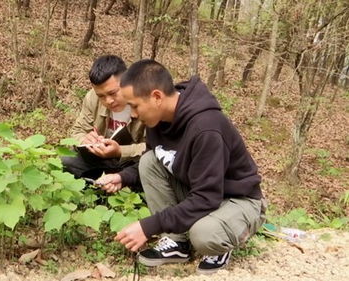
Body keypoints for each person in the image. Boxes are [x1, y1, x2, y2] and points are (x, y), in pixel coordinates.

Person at [96, 59, 266, 274]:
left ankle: (221, 241)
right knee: (149, 161)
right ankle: (177, 243)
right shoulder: (157, 120)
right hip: (203, 192)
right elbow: (156, 158)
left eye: (134, 105)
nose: (133, 114)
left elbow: (207, 197)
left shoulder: (206, 128)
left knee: (203, 235)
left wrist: (148, 227)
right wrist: (123, 177)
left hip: (238, 199)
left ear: (157, 97)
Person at [62, 55, 145, 189]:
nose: (108, 101)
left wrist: (120, 151)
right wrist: (85, 140)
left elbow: (154, 148)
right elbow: (77, 130)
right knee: (66, 161)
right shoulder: (92, 98)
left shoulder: (144, 101)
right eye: (101, 96)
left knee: (148, 170)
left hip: (133, 163)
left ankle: (115, 184)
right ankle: (99, 186)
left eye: (113, 93)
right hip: (102, 160)